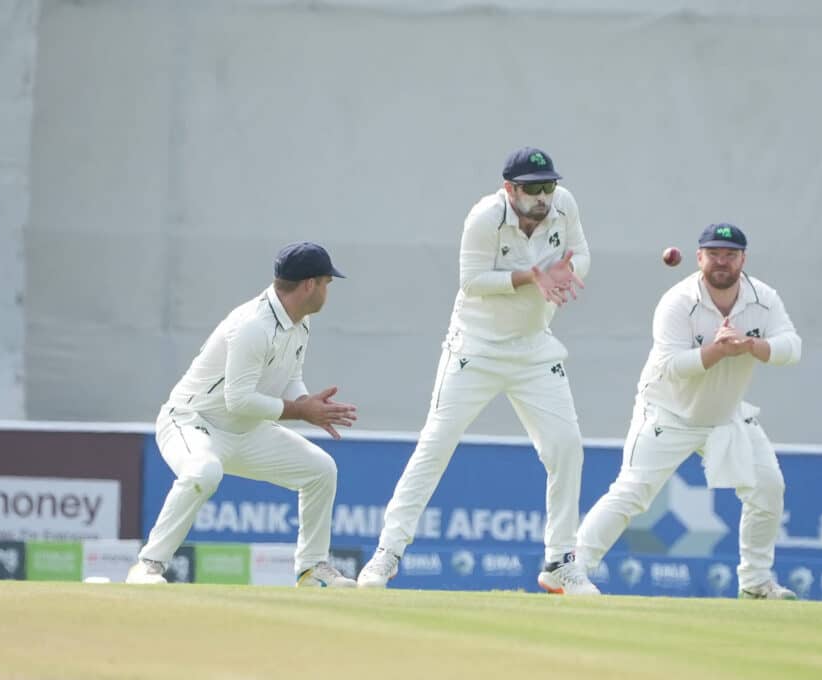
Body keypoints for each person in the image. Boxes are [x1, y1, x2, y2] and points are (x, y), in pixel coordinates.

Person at [356, 147, 599, 595]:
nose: (543, 197)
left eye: (547, 186)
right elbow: (471, 281)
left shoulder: (564, 204)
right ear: (510, 189)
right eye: (532, 189)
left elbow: (580, 253)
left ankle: (560, 561)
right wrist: (533, 276)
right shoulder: (484, 218)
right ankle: (386, 554)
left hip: (534, 350)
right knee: (435, 445)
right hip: (475, 348)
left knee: (566, 448)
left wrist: (567, 271)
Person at [575, 223, 803, 599]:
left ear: (743, 259)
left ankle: (756, 582)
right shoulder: (678, 301)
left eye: (730, 255)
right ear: (699, 258)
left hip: (726, 415)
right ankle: (573, 569)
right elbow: (671, 367)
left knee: (768, 488)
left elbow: (792, 348)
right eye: (714, 254)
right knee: (633, 491)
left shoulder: (764, 298)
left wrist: (748, 345)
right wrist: (719, 350)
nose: (722, 262)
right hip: (668, 413)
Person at [126, 241, 359, 587]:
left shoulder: (301, 322)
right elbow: (238, 400)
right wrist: (301, 411)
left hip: (246, 432)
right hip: (192, 422)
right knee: (204, 471)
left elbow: (289, 377)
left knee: (320, 470)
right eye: (326, 282)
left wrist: (309, 403)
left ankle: (311, 570)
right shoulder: (253, 326)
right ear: (310, 284)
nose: (327, 290)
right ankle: (147, 566)